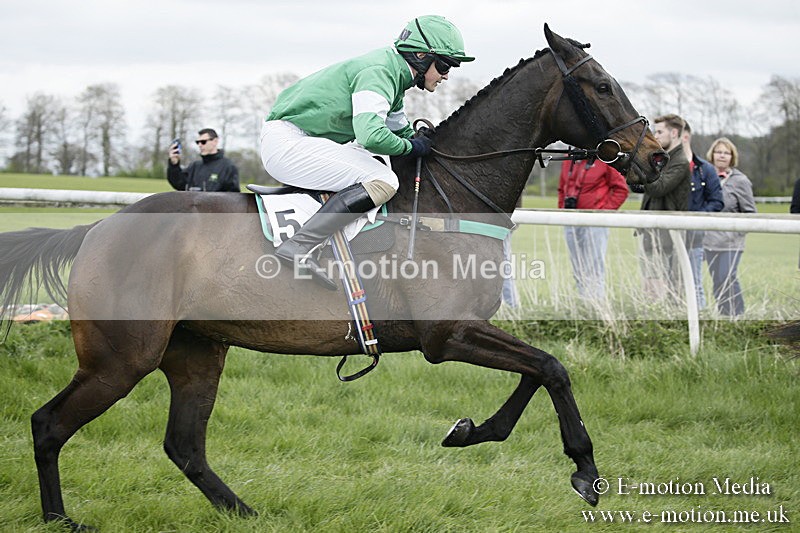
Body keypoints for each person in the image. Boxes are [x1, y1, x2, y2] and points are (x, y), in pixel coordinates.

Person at [260, 15, 473, 289]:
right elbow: (371, 136)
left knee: (378, 166)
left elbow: (398, 127)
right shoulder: (380, 71)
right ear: (421, 56)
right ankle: (300, 246)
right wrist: (411, 146)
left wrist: (417, 139)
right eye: (444, 65)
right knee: (384, 180)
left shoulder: (394, 76)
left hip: (301, 140)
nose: (446, 75)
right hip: (288, 143)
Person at [558, 159, 628, 301]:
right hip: (570, 220)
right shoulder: (569, 159)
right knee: (578, 267)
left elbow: (621, 189)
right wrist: (562, 211)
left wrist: (603, 213)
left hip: (595, 222)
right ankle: (584, 302)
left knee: (594, 267)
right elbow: (561, 188)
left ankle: (596, 304)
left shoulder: (605, 160)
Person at [638, 114, 691, 301]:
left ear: (674, 133)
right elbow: (638, 186)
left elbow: (658, 188)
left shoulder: (680, 162)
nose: (655, 136)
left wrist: (641, 169)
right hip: (651, 230)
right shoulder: (661, 158)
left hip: (669, 235)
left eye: (660, 132)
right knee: (649, 287)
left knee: (664, 290)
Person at [703, 137, 756, 316]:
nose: (722, 156)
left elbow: (750, 212)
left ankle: (738, 314)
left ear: (732, 157)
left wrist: (737, 232)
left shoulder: (741, 181)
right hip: (709, 241)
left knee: (727, 276)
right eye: (719, 152)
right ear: (712, 154)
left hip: (731, 242)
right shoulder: (704, 176)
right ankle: (724, 314)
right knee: (717, 280)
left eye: (726, 153)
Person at [682, 121, 723, 309]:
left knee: (694, 283)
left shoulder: (705, 169)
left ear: (683, 136)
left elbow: (717, 201)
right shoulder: (661, 166)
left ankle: (700, 318)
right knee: (669, 284)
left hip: (693, 238)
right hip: (664, 239)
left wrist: (695, 219)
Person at [167, 128, 240, 192]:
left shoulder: (228, 167)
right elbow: (179, 184)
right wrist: (174, 164)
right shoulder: (194, 166)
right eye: (197, 142)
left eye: (203, 142)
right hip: (192, 204)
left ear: (215, 141)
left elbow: (233, 196)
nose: (200, 145)